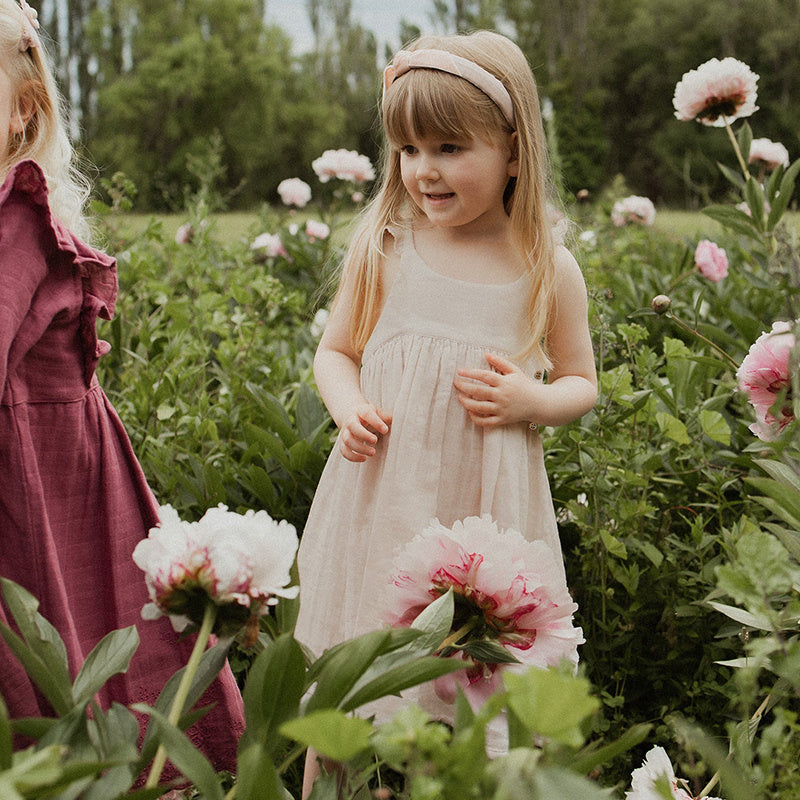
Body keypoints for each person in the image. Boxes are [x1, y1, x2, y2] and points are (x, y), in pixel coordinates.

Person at [295, 29, 598, 795]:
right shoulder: (385, 247)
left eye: (450, 147)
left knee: (474, 684)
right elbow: (335, 353)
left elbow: (581, 381)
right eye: (408, 148)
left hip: (486, 513)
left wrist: (534, 401)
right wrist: (350, 405)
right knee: (355, 672)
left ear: (514, 150)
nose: (423, 170)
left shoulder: (545, 266)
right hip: (382, 506)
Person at [0, 0, 244, 772]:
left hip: (38, 476)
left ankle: (91, 775)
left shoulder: (16, 214)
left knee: (61, 643)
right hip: (42, 463)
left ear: (21, 112)